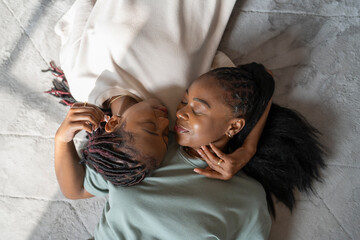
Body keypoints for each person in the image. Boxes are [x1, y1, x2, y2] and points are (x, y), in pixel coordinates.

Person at [50, 0, 267, 186]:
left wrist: (61, 139)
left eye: (151, 127)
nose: (165, 122)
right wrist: (248, 149)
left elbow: (84, 8)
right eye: (166, 136)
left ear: (113, 124)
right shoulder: (184, 103)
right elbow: (259, 81)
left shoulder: (82, 84)